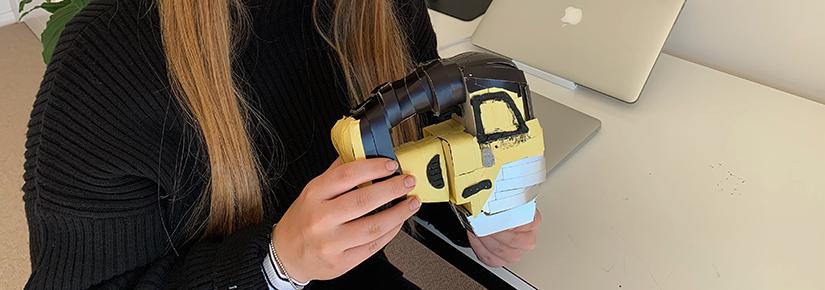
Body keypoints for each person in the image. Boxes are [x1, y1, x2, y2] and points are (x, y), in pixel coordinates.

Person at [21, 0, 541, 288]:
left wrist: (474, 210)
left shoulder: (383, 10)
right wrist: (276, 264)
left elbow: (406, 154)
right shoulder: (106, 61)